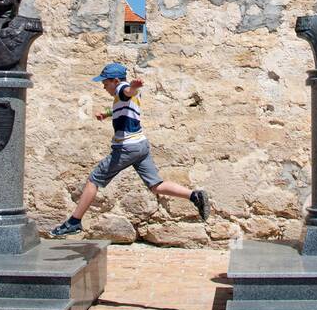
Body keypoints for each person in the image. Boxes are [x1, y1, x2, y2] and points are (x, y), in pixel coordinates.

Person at [50, 63, 210, 237]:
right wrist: (106, 113)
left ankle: (74, 221)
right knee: (156, 185)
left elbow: (127, 92)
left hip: (126, 147)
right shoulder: (124, 97)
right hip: (141, 145)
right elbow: (123, 105)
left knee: (94, 179)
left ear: (116, 80)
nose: (103, 86)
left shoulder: (122, 89)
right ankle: (194, 196)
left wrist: (132, 87)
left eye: (105, 83)